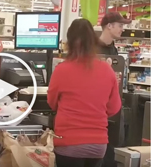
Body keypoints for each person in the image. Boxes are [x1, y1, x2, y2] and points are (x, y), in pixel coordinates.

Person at [47, 18, 122, 167]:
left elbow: (52, 102)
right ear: (93, 41)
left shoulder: (62, 70)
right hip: (98, 144)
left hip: (68, 142)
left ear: (69, 41)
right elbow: (114, 108)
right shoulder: (107, 70)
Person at [98, 12, 131, 167]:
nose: (122, 29)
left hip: (111, 105)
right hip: (97, 108)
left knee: (112, 148)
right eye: (120, 25)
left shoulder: (113, 50)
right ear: (109, 26)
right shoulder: (92, 48)